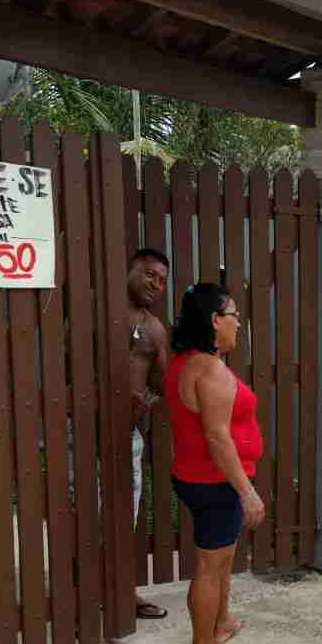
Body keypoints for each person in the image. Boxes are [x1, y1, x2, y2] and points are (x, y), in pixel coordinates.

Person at [166, 283, 265, 644]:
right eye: (234, 316)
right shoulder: (209, 370)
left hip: (199, 478)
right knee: (211, 566)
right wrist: (247, 492)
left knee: (222, 559)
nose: (238, 324)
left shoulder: (186, 360)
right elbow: (217, 438)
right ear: (214, 320)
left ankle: (220, 624)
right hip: (215, 483)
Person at [127, 248, 171, 619]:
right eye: (149, 275)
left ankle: (123, 592)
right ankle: (79, 596)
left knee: (124, 518)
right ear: (130, 271)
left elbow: (162, 382)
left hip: (126, 434)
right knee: (80, 517)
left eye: (162, 281)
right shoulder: (96, 312)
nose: (156, 285)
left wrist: (147, 401)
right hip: (77, 432)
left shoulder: (155, 329)